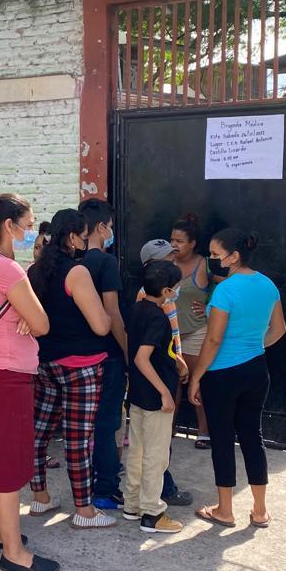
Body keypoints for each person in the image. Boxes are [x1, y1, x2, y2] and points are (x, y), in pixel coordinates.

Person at [0, 190, 59, 571]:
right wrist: (29, 315)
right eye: (28, 224)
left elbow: (23, 315)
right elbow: (42, 324)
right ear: (9, 225)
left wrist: (25, 314)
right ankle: (14, 552)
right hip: (7, 376)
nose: (31, 231)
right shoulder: (7, 268)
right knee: (5, 466)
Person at [188, 229, 286, 528]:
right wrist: (253, 347)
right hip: (256, 370)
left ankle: (225, 510)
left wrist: (196, 377)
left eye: (216, 254)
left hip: (222, 373)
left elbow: (214, 340)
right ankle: (259, 510)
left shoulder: (226, 290)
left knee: (221, 439)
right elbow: (279, 329)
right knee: (251, 437)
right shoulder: (267, 285)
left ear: (234, 256)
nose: (213, 259)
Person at [28, 209, 114, 529]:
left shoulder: (35, 270)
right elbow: (101, 326)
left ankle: (40, 498)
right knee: (77, 439)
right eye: (83, 235)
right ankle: (85, 510)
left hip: (44, 364)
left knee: (38, 435)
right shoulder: (77, 273)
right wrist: (107, 314)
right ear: (73, 237)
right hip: (81, 367)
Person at [122, 260, 185, 534]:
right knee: (156, 456)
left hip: (137, 394)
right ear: (168, 290)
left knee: (137, 450)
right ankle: (152, 513)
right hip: (156, 397)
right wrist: (165, 392)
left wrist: (175, 359)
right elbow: (142, 357)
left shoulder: (136, 309)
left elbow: (148, 351)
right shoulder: (159, 317)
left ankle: (132, 504)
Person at [77, 198, 128, 510]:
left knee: (81, 425)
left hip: (75, 354)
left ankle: (83, 485)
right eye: (110, 226)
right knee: (107, 423)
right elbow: (113, 314)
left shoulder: (71, 260)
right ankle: (105, 489)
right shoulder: (105, 263)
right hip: (106, 354)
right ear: (100, 227)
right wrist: (128, 350)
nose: (111, 232)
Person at [136, 239, 192, 506]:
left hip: (166, 370)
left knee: (156, 441)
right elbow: (147, 352)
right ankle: (156, 499)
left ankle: (142, 497)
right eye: (167, 261)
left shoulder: (161, 299)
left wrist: (178, 359)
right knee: (155, 445)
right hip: (157, 380)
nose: (173, 264)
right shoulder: (151, 303)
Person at [170, 214, 212, 449]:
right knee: (173, 382)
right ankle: (171, 428)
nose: (174, 245)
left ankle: (203, 432)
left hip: (197, 331)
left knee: (198, 381)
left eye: (180, 241)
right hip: (171, 334)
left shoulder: (203, 264)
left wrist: (210, 306)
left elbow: (225, 286)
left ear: (192, 243)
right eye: (172, 239)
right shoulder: (167, 262)